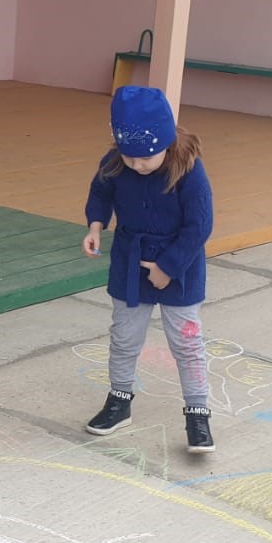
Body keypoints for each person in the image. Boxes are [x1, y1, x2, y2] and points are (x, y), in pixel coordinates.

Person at [82, 86, 215, 452]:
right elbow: (100, 192)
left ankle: (198, 413)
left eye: (145, 158)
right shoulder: (115, 162)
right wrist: (96, 225)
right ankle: (119, 401)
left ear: (167, 141)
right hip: (131, 262)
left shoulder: (189, 169)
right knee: (124, 337)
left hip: (180, 266)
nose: (137, 165)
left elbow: (200, 225)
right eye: (130, 157)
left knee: (187, 342)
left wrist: (168, 268)